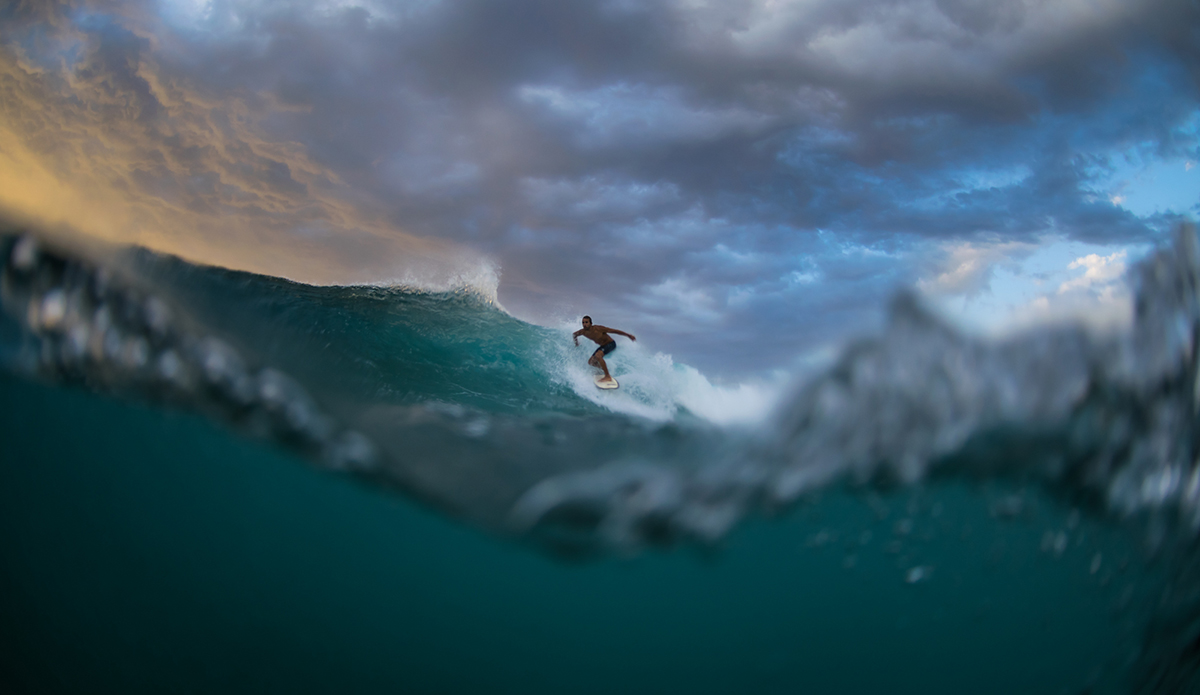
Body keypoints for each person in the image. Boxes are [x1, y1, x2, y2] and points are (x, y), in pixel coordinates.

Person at [573, 315, 635, 384]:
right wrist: (576, 344)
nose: (584, 324)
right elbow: (574, 335)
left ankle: (607, 376)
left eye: (586, 322)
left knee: (598, 355)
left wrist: (628, 335)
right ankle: (603, 370)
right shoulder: (583, 332)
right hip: (603, 346)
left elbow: (614, 331)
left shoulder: (598, 328)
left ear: (591, 323)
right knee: (591, 362)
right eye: (583, 322)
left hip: (610, 344)